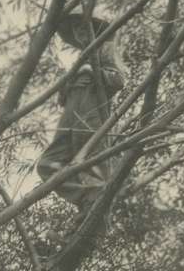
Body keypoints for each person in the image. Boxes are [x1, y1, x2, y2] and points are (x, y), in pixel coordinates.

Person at [36, 12, 125, 227]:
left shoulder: (104, 49)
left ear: (94, 29)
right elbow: (61, 97)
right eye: (76, 30)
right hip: (69, 120)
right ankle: (86, 198)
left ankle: (95, 205)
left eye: (84, 28)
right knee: (47, 165)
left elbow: (118, 80)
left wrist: (91, 71)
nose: (80, 33)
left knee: (94, 163)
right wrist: (71, 79)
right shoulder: (80, 60)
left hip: (91, 114)